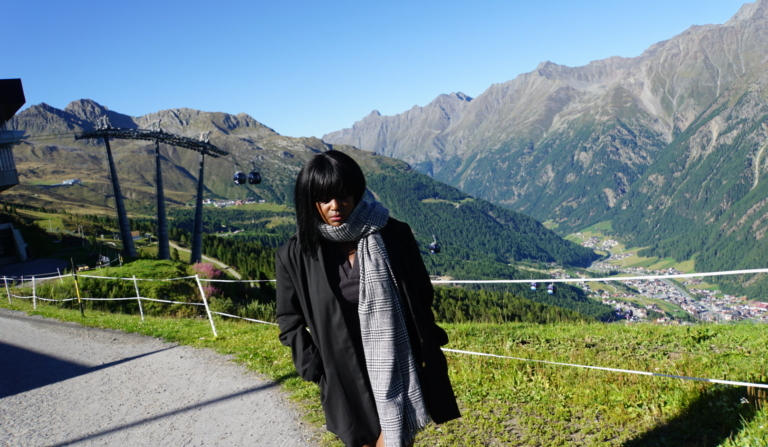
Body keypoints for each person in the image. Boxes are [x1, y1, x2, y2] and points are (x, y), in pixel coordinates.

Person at [276, 151, 460, 447]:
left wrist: (424, 341)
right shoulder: (296, 254)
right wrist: (313, 365)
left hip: (397, 359)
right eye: (324, 199)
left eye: (343, 195)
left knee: (397, 440)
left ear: (356, 192)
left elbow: (421, 293)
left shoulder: (394, 234)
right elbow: (289, 319)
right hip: (342, 373)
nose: (335, 206)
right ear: (310, 201)